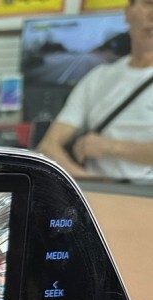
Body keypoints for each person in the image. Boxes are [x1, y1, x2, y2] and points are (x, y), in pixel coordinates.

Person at [37, 0, 153, 181]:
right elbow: (48, 146)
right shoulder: (98, 77)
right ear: (128, 12)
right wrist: (90, 183)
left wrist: (110, 147)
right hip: (96, 190)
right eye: (149, 4)